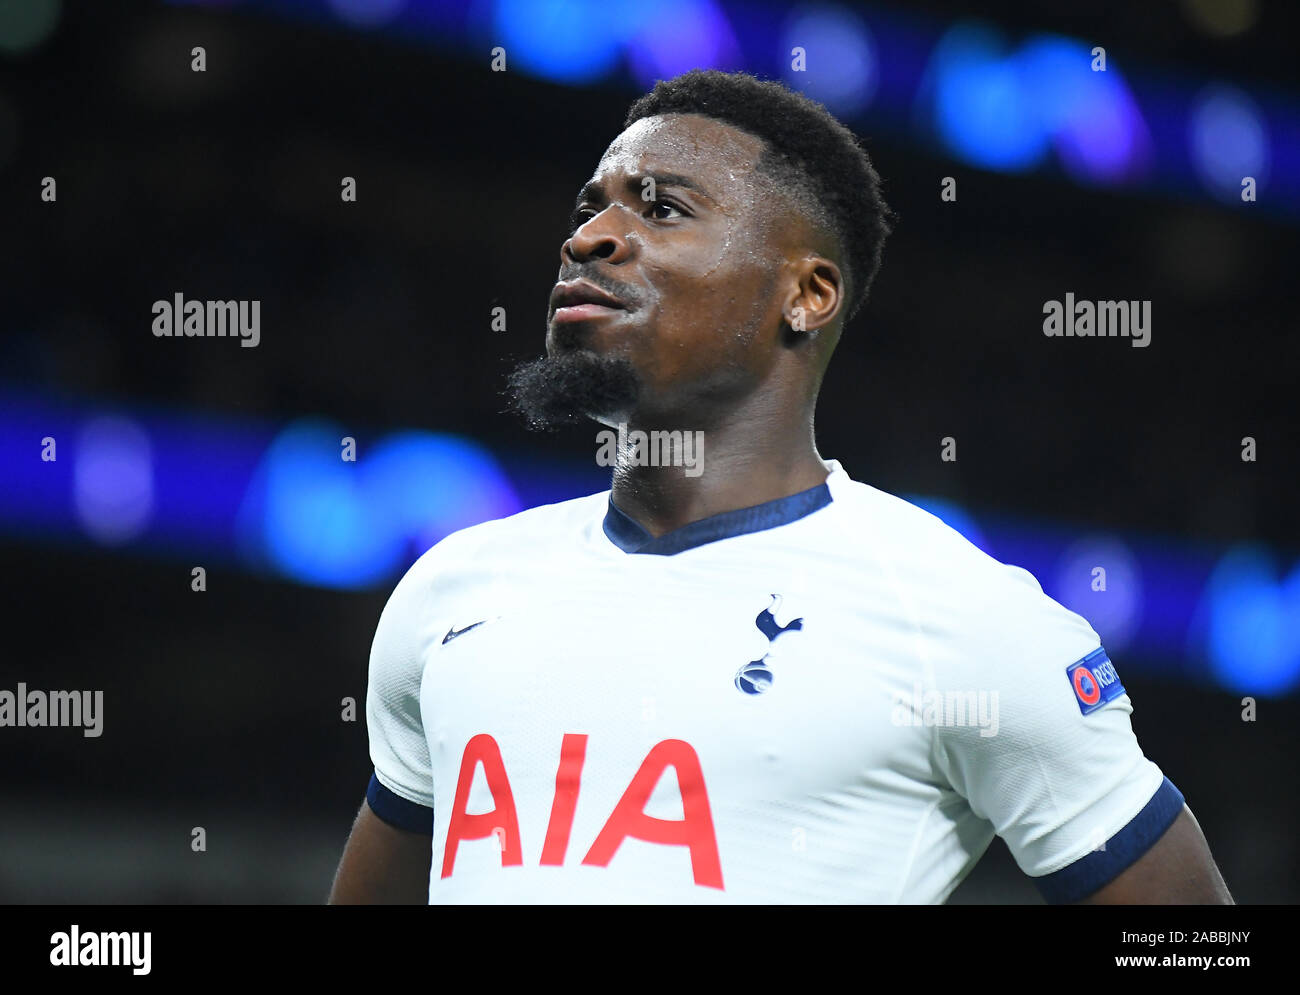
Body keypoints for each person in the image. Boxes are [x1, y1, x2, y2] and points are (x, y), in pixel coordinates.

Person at [329, 70, 1231, 904]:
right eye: (591, 206)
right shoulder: (452, 590)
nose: (589, 236)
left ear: (807, 294)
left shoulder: (958, 621)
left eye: (663, 209)